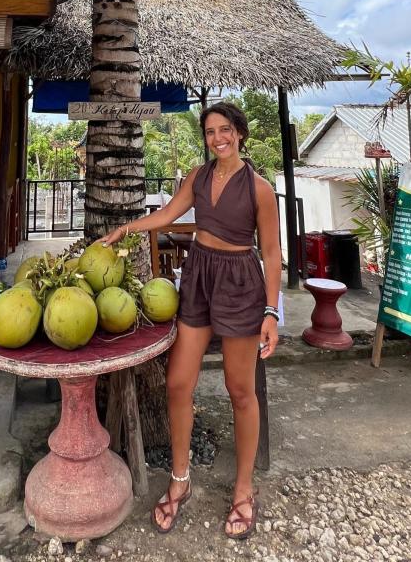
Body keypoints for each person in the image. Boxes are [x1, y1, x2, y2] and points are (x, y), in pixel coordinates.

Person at [99, 101, 282, 540]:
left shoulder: (259, 188)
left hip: (240, 282)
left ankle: (243, 488)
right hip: (198, 275)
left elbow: (273, 253)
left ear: (239, 133)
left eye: (225, 130)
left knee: (241, 389)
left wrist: (271, 311)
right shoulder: (197, 178)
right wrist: (128, 228)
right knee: (179, 382)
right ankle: (180, 478)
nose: (217, 138)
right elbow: (168, 215)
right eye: (209, 132)